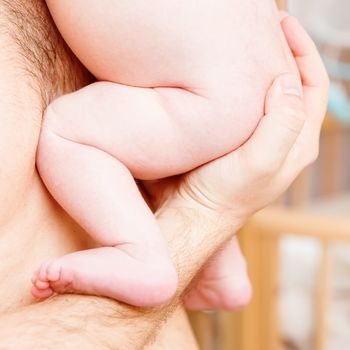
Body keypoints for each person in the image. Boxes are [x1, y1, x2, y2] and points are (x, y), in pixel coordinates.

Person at [0, 1, 328, 349]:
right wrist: (212, 212)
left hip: (205, 95)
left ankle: (138, 252)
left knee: (67, 133)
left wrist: (210, 211)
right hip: (266, 83)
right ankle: (224, 264)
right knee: (153, 155)